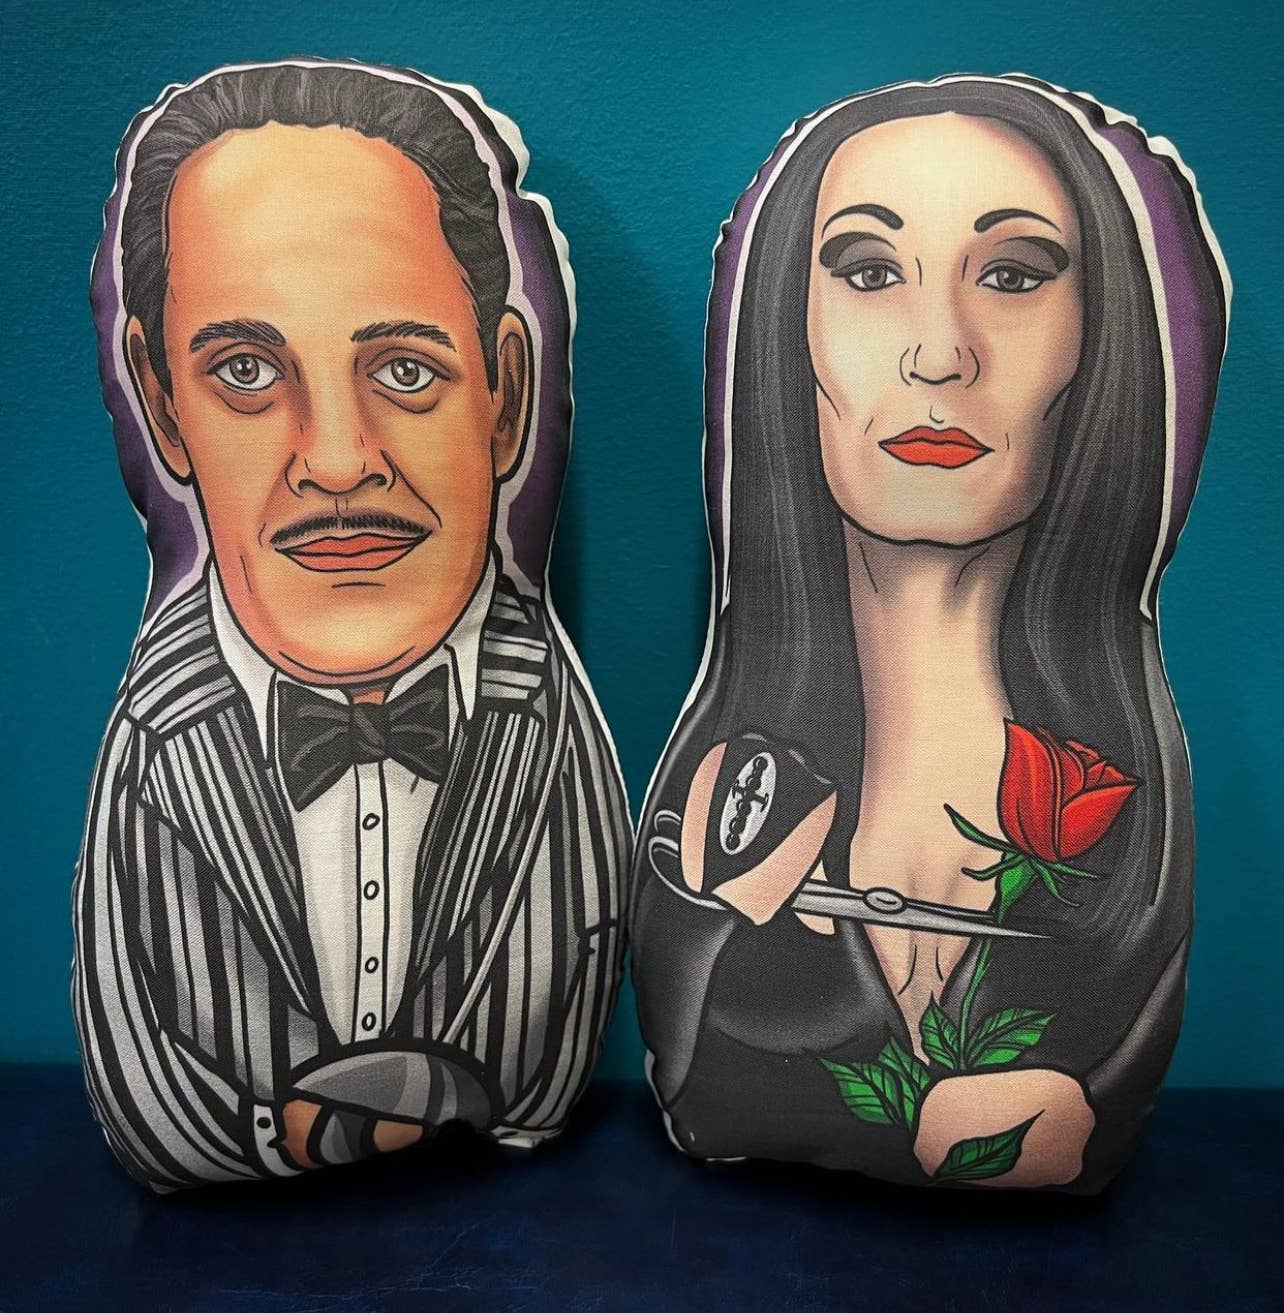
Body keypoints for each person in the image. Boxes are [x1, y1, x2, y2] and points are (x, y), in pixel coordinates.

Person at [631, 77, 1227, 1192]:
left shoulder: (1129, 817)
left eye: (1013, 275)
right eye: (868, 272)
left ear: (1099, 343)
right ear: (786, 333)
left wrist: (1075, 1103)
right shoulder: (720, 789)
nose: (940, 353)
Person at [73, 61, 629, 1192]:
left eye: (406, 369)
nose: (336, 460)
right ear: (161, 404)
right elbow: (144, 1059)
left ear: (507, 395)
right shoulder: (156, 741)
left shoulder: (549, 722)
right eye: (243, 370)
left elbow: (566, 989)